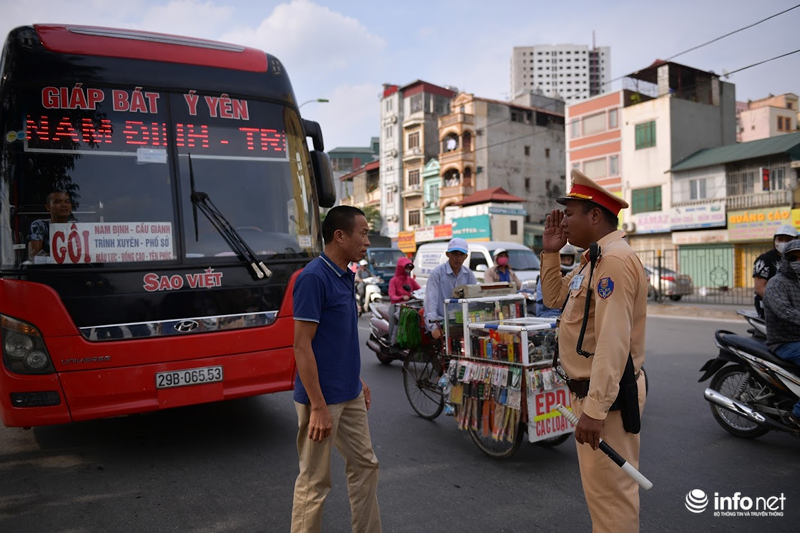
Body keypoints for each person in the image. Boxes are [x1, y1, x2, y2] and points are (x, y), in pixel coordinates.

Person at [540, 169, 648, 533]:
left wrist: (596, 408)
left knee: (611, 501)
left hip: (606, 399)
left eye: (569, 213)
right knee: (603, 497)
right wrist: (550, 253)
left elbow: (613, 342)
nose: (563, 221)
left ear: (595, 215)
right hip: (594, 395)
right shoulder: (595, 258)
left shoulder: (613, 262)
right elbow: (555, 298)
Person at [291, 205, 381, 533]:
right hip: (321, 399)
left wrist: (356, 380)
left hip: (350, 393)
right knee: (315, 482)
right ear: (339, 236)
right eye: (363, 233)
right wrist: (317, 406)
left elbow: (336, 341)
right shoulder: (313, 278)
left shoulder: (345, 275)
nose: (367, 241)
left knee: (366, 466)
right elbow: (302, 346)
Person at [763, 239, 800, 427]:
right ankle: (797, 415)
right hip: (784, 341)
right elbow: (784, 311)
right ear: (785, 260)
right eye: (794, 257)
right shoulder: (776, 283)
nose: (798, 261)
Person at [423, 237, 477, 340]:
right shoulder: (437, 273)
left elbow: (474, 298)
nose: (458, 258)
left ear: (466, 256)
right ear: (448, 254)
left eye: (461, 255)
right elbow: (431, 301)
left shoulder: (468, 274)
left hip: (462, 324)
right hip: (442, 323)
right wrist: (434, 326)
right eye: (455, 254)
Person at [753, 224, 797, 318]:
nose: (784, 243)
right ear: (774, 240)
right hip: (771, 308)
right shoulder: (765, 259)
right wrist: (780, 304)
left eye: (788, 240)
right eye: (780, 239)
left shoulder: (795, 258)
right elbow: (759, 288)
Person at [28, 190, 77, 259]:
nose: (64, 205)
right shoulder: (40, 225)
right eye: (57, 202)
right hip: (48, 269)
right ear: (48, 207)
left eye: (67, 201)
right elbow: (35, 254)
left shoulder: (77, 226)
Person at [534, 244, 579, 317]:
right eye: (563, 259)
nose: (566, 262)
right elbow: (546, 301)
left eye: (568, 259)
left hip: (565, 314)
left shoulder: (572, 275)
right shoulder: (547, 276)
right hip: (548, 314)